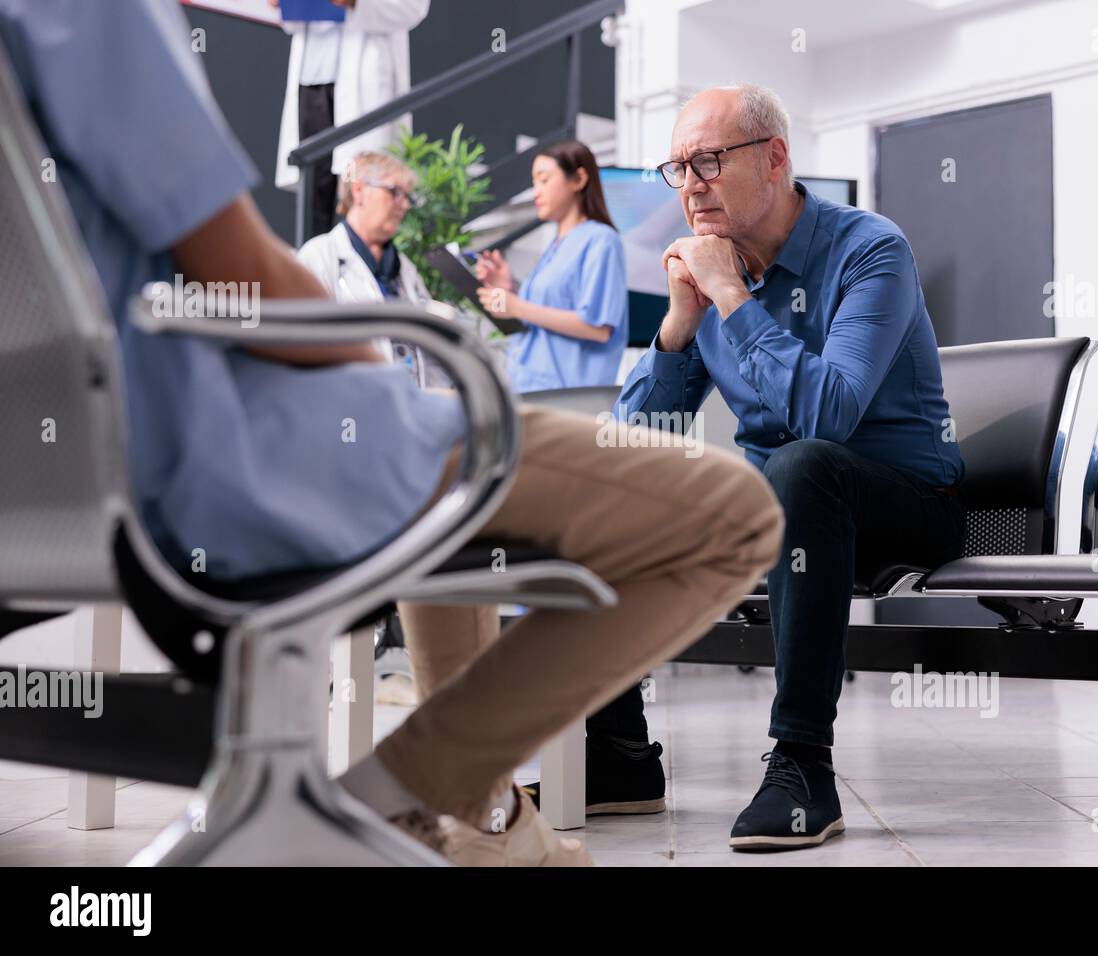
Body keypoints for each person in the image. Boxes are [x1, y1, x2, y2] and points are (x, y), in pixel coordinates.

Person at [0, 0, 783, 866]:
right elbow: (239, 271)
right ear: (355, 194)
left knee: (449, 481)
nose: (407, 204)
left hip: (49, 487)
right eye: (394, 192)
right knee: (733, 516)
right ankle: (394, 801)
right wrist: (381, 380)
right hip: (223, 454)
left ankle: (479, 819)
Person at [604, 83, 968, 851]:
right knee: (614, 486)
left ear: (774, 158)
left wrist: (733, 296)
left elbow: (828, 415)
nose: (691, 184)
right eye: (677, 168)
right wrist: (679, 324)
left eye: (707, 160)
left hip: (900, 506)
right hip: (778, 510)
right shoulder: (706, 275)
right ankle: (616, 755)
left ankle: (803, 764)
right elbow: (637, 435)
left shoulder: (870, 250)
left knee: (803, 465)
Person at [475, 141, 629, 393]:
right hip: (529, 390)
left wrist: (517, 306)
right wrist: (508, 287)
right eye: (534, 182)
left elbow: (598, 328)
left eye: (544, 180)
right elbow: (545, 312)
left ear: (579, 179)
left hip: (568, 398)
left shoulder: (601, 240)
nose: (536, 191)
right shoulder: (557, 245)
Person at [271, 0, 429, 239]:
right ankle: (312, 273)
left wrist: (356, 3)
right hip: (313, 78)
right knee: (313, 196)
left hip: (364, 82)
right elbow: (291, 20)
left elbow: (413, 8)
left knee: (364, 197)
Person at [297, 151, 430, 306]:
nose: (405, 205)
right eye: (395, 192)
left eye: (407, 197)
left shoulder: (405, 268)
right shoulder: (318, 257)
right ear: (359, 190)